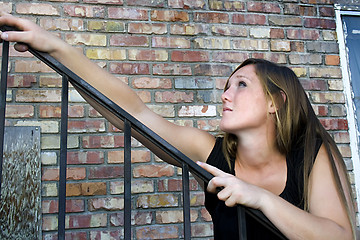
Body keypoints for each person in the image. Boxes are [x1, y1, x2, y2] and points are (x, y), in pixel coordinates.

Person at [0, 12, 357, 239]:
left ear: (275, 102)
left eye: (241, 85)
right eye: (226, 87)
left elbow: (340, 236)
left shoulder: (312, 154)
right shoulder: (211, 153)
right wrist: (53, 46)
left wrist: (260, 199)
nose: (226, 95)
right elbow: (135, 113)